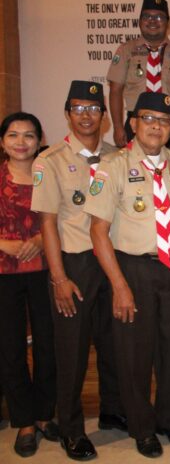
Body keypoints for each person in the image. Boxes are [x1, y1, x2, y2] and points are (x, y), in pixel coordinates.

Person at [84, 92, 170, 458]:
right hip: (132, 267)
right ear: (133, 124)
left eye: (164, 120)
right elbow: (98, 231)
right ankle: (142, 428)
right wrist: (119, 286)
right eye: (148, 118)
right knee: (134, 353)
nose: (156, 126)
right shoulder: (112, 166)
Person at [31, 81, 126, 461]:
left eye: (94, 108)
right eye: (79, 108)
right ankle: (71, 429)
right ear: (68, 114)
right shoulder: (49, 160)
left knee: (114, 342)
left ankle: (113, 410)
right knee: (71, 351)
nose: (87, 115)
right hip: (75, 262)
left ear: (105, 117)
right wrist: (59, 278)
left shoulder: (118, 156)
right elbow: (47, 223)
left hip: (113, 260)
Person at [0, 112, 58, 458]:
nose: (21, 142)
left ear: (39, 141)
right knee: (10, 348)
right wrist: (4, 244)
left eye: (29, 135)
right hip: (4, 272)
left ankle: (44, 414)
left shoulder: (49, 174)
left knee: (49, 344)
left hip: (45, 270)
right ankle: (23, 421)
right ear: (2, 141)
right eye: (13, 135)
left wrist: (39, 238)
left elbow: (67, 215)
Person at [108, 0, 170, 152]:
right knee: (134, 165)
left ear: (167, 23)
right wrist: (118, 127)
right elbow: (115, 90)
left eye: (159, 17)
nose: (153, 21)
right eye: (147, 16)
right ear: (140, 21)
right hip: (137, 121)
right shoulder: (126, 50)